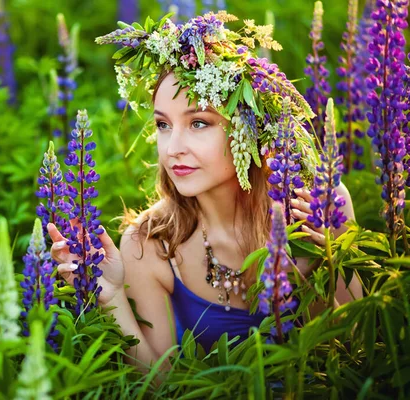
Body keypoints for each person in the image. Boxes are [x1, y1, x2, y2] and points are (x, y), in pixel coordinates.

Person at [47, 11, 363, 376]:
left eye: (199, 123)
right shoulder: (148, 244)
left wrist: (334, 248)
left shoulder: (319, 205)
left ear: (249, 128)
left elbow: (359, 355)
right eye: (163, 125)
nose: (172, 147)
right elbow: (159, 387)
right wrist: (113, 296)